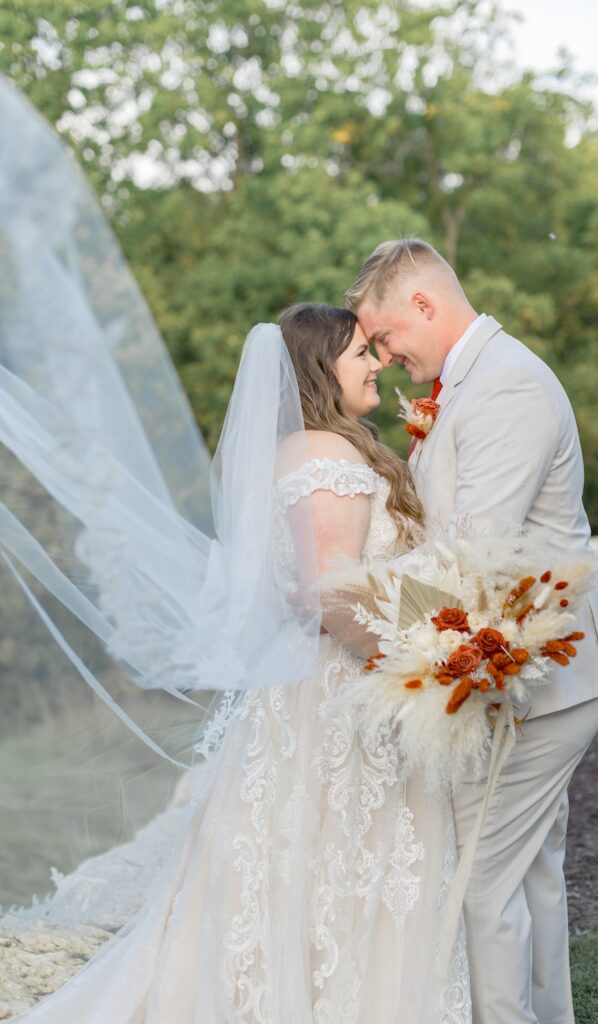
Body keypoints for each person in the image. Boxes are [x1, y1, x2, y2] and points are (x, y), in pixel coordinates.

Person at [5, 303, 472, 1024]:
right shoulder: (325, 456)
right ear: (320, 367)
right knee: (338, 864)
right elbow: (326, 593)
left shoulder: (306, 449)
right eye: (358, 355)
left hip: (321, 688)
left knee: (305, 866)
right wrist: (419, 665)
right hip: (345, 695)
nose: (376, 363)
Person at [345, 238, 598, 1024]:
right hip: (512, 671)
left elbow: (474, 556)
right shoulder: (464, 385)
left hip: (551, 676)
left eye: (384, 336)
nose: (383, 354)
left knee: (480, 877)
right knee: (531, 868)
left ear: (424, 307)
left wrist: (359, 620)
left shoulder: (506, 388)